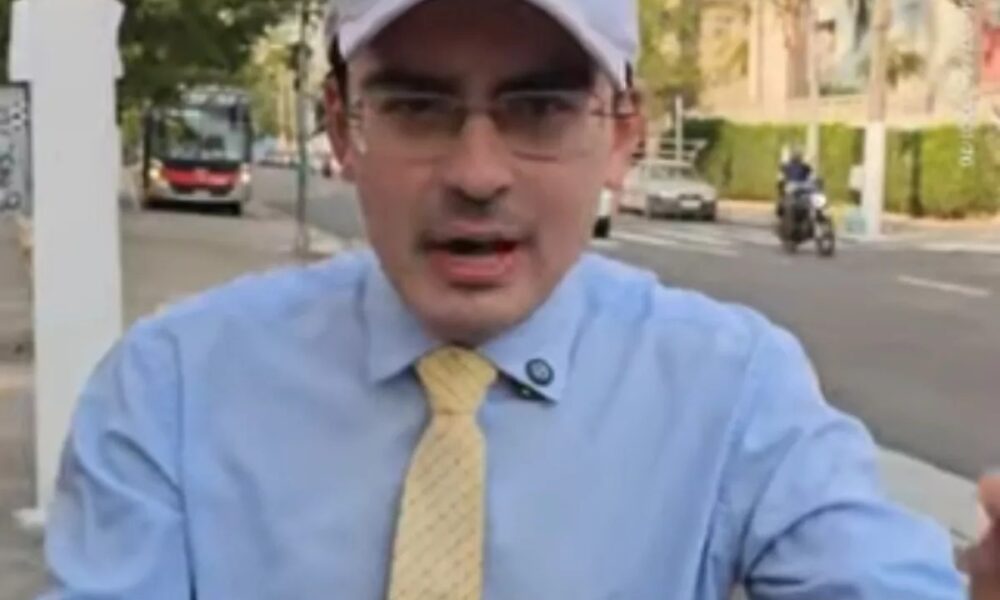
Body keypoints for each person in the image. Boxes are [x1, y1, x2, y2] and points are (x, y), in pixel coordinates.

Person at [39, 0, 1000, 598]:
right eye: (417, 108)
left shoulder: (735, 392)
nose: (477, 172)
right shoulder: (173, 392)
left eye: (539, 109)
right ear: (340, 127)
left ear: (622, 134)